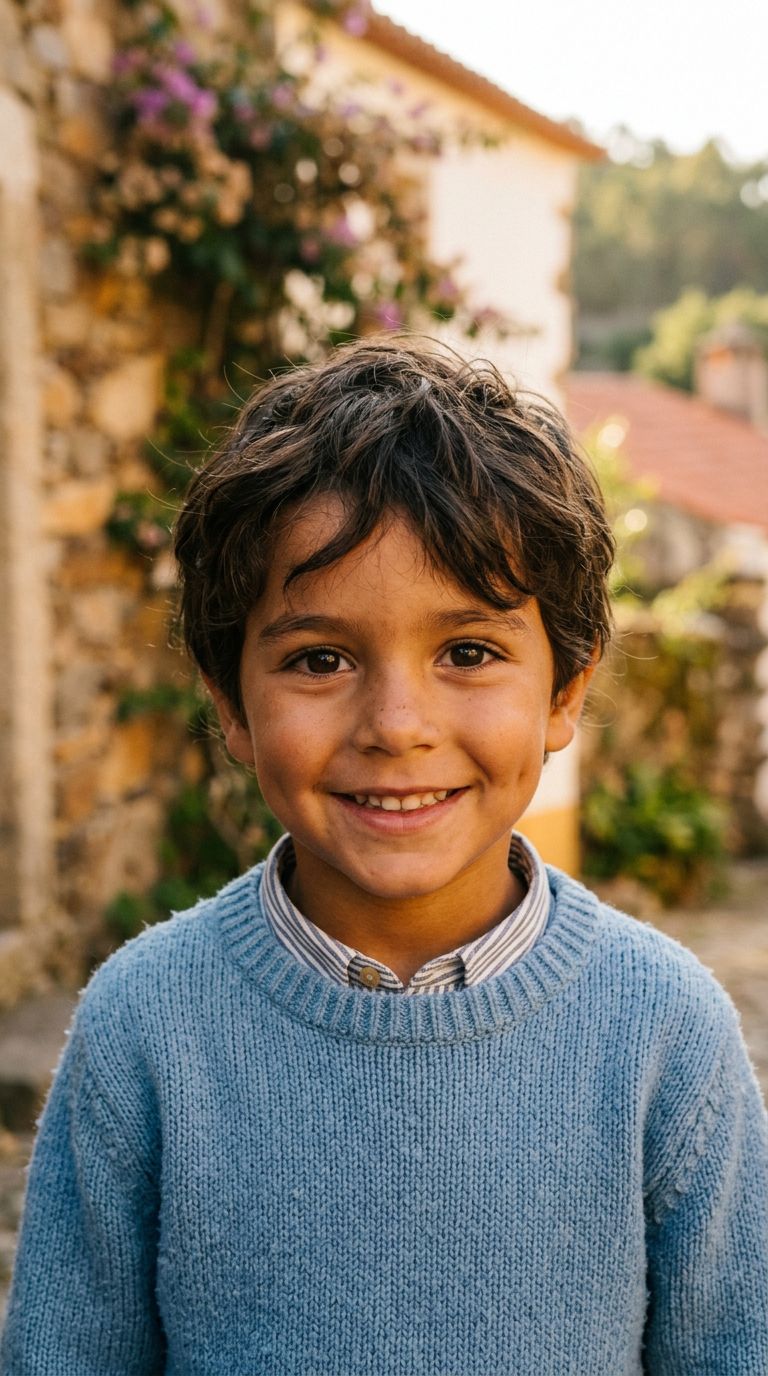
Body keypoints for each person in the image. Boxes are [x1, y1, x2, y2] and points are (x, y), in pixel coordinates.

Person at [3, 338, 767, 1374]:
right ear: (230, 700)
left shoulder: (665, 1032)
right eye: (320, 659)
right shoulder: (146, 1027)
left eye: (469, 651)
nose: (397, 723)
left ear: (566, 690)